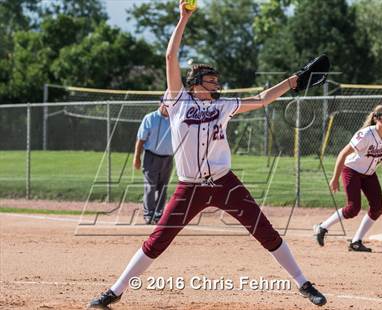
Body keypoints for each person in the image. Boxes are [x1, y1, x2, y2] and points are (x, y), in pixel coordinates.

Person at [89, 1, 326, 308]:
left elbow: (263, 99)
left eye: (216, 80)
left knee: (263, 229)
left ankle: (304, 283)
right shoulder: (178, 103)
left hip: (224, 182)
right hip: (190, 188)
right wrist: (183, 18)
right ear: (195, 84)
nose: (217, 84)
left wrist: (293, 81)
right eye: (211, 80)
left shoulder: (223, 106)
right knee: (159, 239)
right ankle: (115, 291)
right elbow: (170, 56)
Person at [314, 104, 382, 252]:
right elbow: (343, 154)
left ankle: (356, 241)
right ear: (376, 118)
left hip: (369, 174)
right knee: (353, 209)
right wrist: (335, 178)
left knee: (378, 208)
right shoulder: (365, 134)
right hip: (351, 170)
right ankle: (322, 227)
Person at [133, 100, 173, 224]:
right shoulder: (150, 118)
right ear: (160, 103)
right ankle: (148, 214)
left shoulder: (174, 119)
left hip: (168, 158)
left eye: (170, 105)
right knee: (151, 186)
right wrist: (137, 157)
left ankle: (158, 214)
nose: (168, 107)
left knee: (163, 188)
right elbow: (141, 139)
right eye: (166, 104)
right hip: (151, 157)